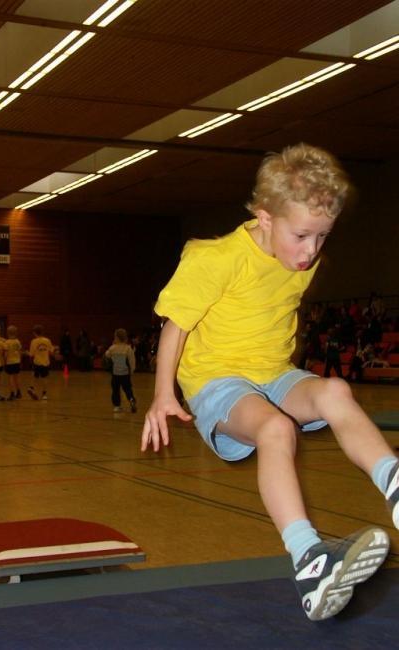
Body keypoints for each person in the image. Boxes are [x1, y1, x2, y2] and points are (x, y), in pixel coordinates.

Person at [141, 143, 398, 622]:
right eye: (301, 236)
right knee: (276, 429)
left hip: (274, 373)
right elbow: (176, 325)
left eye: (322, 237)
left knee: (336, 391)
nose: (311, 251)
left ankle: (395, 483)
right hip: (217, 380)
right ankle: (309, 561)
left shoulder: (304, 259)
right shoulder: (215, 258)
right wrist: (162, 396)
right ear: (264, 218)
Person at [104, 328, 137, 413]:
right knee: (128, 389)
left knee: (115, 390)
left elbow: (106, 355)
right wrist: (132, 370)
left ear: (117, 338)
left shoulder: (112, 348)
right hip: (125, 374)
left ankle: (117, 406)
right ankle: (131, 399)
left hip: (115, 374)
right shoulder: (128, 349)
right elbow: (132, 361)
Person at [28, 325, 54, 400]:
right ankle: (44, 394)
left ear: (34, 333)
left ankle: (31, 388)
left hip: (37, 362)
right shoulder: (47, 340)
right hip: (45, 362)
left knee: (35, 376)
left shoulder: (33, 341)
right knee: (45, 378)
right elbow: (51, 352)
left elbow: (31, 354)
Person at [4, 325, 22, 400]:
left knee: (10, 378)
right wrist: (20, 360)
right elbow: (19, 351)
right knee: (16, 378)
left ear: (8, 333)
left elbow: (6, 353)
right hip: (17, 361)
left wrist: (4, 361)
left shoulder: (7, 342)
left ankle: (12, 393)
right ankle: (18, 392)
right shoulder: (17, 341)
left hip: (10, 362)